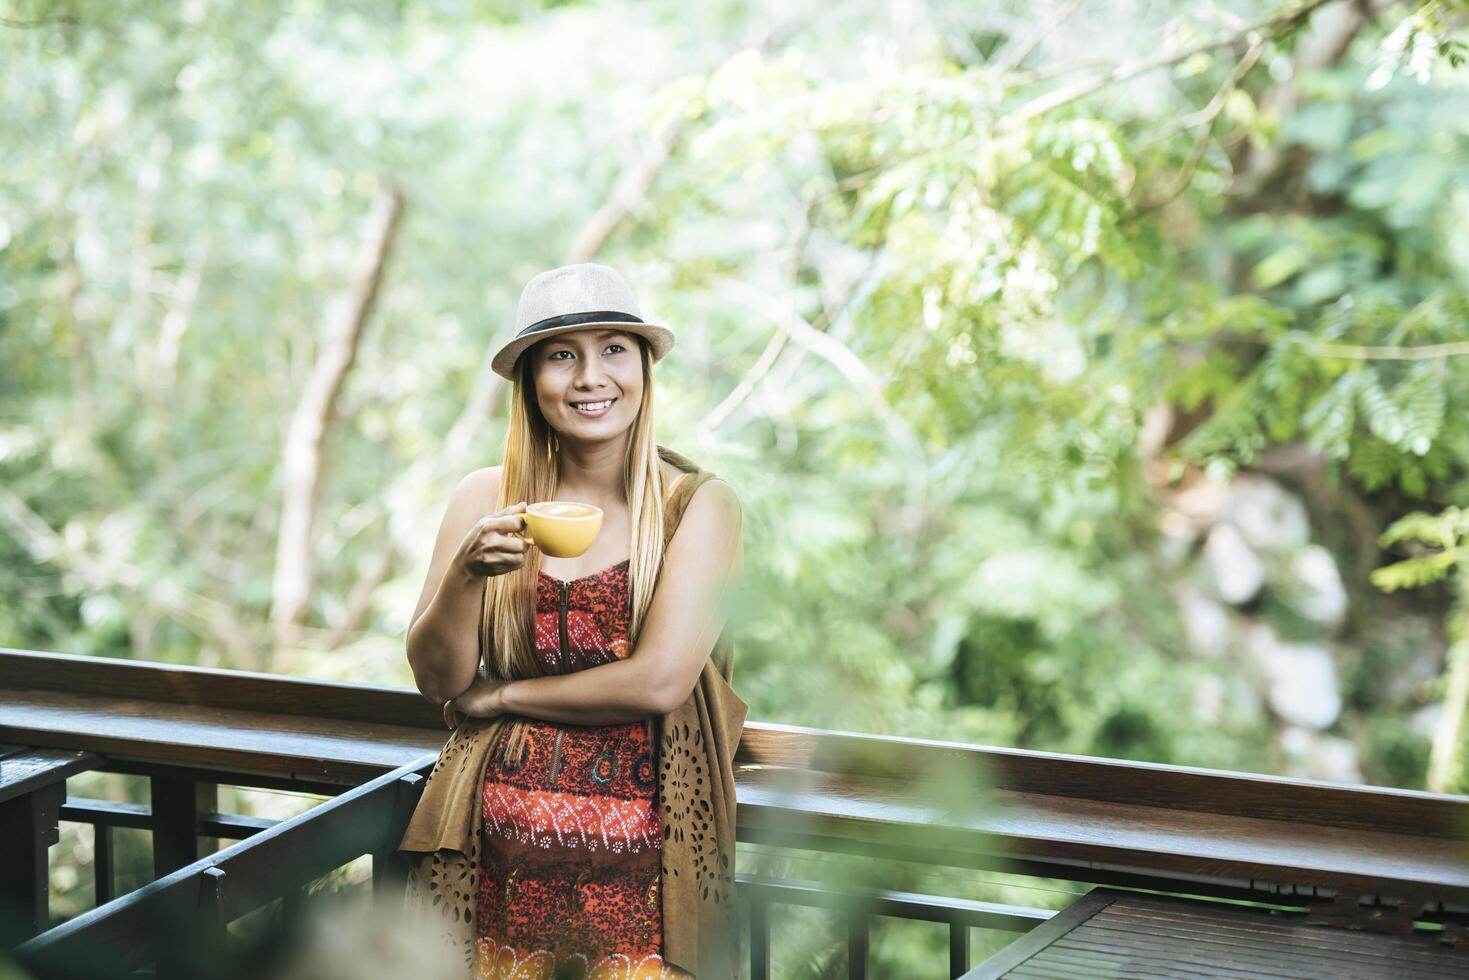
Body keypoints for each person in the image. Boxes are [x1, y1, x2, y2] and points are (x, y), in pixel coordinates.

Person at [400, 262, 746, 980]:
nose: (591, 376)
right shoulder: (483, 499)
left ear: (644, 368)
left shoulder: (696, 509)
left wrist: (502, 697)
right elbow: (438, 679)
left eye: (613, 348)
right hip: (483, 867)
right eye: (562, 355)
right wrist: (465, 577)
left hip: (639, 892)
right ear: (530, 380)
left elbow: (657, 682)